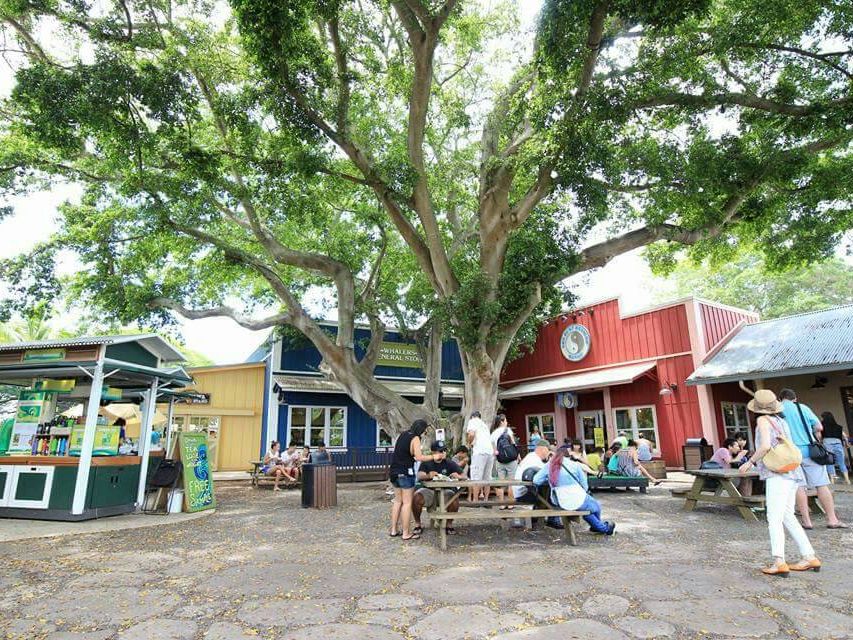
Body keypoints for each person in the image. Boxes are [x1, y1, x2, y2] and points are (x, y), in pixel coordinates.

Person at [739, 389, 821, 576]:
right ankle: (809, 556)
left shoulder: (763, 420)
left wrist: (750, 462)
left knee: (774, 518)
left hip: (777, 473)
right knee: (787, 515)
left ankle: (779, 561)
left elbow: (765, 446)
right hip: (792, 471)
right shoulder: (780, 420)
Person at [779, 389, 847, 529]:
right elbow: (818, 427)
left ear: (781, 399)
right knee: (821, 485)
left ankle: (807, 521)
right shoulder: (802, 408)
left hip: (790, 453)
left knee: (799, 487)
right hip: (810, 451)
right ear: (794, 398)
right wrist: (812, 434)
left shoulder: (778, 409)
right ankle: (832, 519)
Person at [533, 446, 615, 535]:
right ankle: (604, 528)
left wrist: (549, 479)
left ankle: (599, 527)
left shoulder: (550, 465)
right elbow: (585, 486)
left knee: (588, 510)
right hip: (578, 497)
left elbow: (536, 480)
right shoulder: (575, 465)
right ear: (568, 456)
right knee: (596, 506)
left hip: (561, 502)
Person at [389, 419, 440, 541]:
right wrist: (434, 456)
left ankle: (394, 530)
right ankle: (406, 533)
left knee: (398, 501)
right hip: (406, 472)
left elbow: (405, 452)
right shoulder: (415, 438)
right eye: (425, 430)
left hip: (394, 472)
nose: (425, 433)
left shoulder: (403, 434)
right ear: (422, 429)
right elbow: (419, 457)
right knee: (407, 503)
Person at [412, 441, 466, 535]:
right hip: (429, 491)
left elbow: (464, 476)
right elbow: (419, 476)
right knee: (416, 497)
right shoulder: (427, 462)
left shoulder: (449, 462)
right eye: (440, 451)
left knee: (454, 499)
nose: (443, 453)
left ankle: (449, 525)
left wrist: (459, 476)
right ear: (433, 452)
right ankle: (418, 524)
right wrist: (428, 475)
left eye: (444, 450)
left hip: (445, 491)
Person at [513, 439, 561, 529]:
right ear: (543, 449)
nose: (548, 453)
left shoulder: (531, 456)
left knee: (547, 490)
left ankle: (543, 517)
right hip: (524, 494)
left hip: (521, 492)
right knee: (553, 490)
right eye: (548, 450)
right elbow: (547, 474)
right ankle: (553, 520)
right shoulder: (535, 460)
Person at [490, 414, 519, 509]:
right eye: (505, 420)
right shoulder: (508, 431)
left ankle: (501, 504)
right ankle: (510, 504)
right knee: (511, 483)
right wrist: (518, 455)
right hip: (511, 460)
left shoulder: (493, 433)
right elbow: (513, 444)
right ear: (502, 422)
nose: (506, 422)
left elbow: (493, 449)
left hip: (500, 460)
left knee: (501, 483)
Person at [466, 411, 493, 502]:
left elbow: (471, 434)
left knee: (476, 477)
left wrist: (469, 443)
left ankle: (475, 500)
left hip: (479, 452)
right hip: (489, 452)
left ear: (472, 417)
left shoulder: (472, 421)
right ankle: (486, 500)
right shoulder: (484, 425)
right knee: (487, 478)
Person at [820, 411, 850, 485]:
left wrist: (820, 442)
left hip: (827, 443)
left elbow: (819, 436)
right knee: (841, 462)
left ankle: (832, 481)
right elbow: (844, 436)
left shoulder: (822, 426)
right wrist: (847, 443)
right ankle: (847, 480)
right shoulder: (838, 426)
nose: (822, 419)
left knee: (830, 462)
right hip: (838, 443)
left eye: (822, 417)